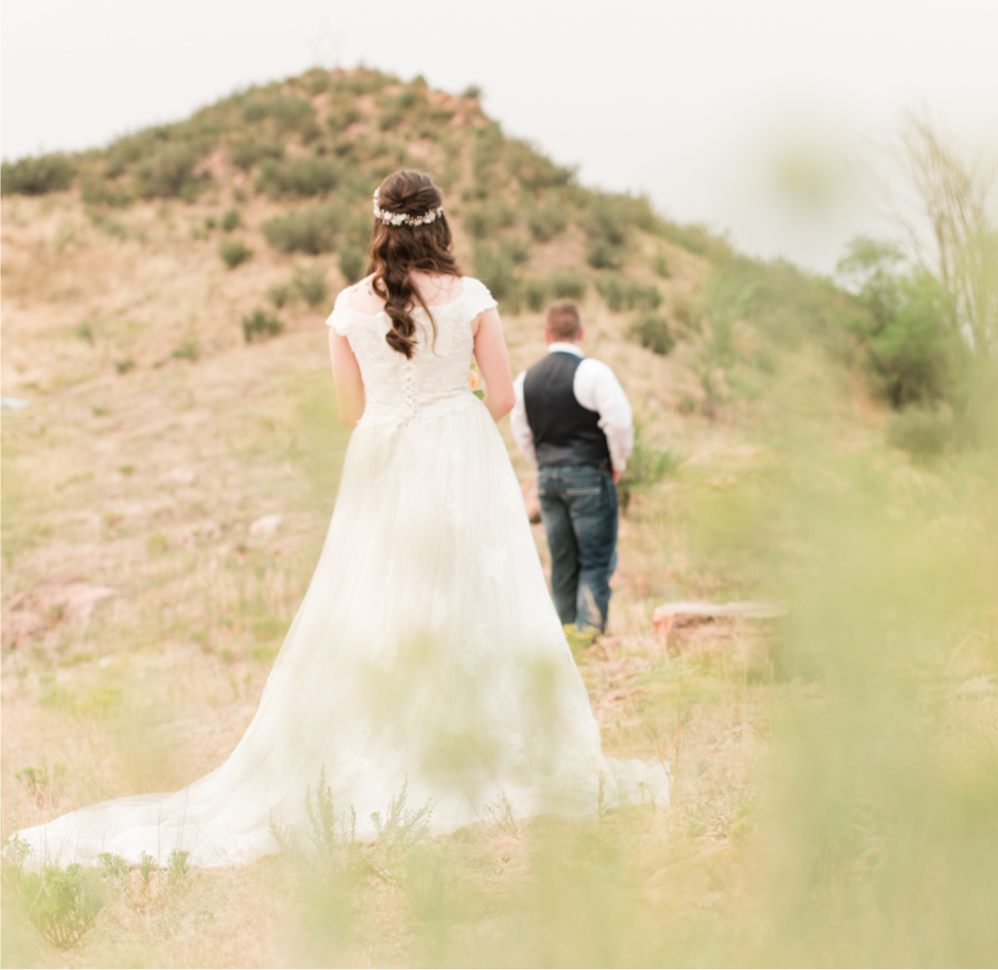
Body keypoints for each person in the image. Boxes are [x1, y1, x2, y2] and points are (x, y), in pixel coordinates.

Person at [11, 170, 668, 871]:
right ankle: (477, 748)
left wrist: (404, 409)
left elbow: (351, 412)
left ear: (380, 225)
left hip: (381, 466)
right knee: (476, 600)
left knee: (379, 604)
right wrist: (451, 402)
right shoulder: (472, 297)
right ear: (439, 223)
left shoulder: (348, 307)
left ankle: (391, 742)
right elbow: (502, 397)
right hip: (459, 462)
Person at [510, 302, 632, 644]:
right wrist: (617, 464)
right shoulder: (594, 372)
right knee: (594, 560)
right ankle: (587, 637)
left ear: (546, 335)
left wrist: (545, 462)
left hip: (548, 479)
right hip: (590, 475)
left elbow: (521, 432)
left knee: (561, 560)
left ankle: (563, 639)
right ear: (580, 333)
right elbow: (619, 423)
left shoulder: (524, 380)